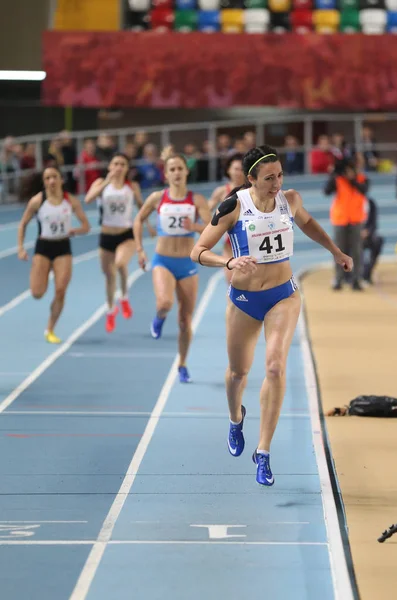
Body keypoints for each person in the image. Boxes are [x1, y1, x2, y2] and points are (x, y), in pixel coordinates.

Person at [190, 145, 353, 486]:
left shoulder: (289, 199)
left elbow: (308, 224)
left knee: (275, 366)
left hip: (283, 296)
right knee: (238, 373)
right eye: (268, 178)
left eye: (280, 175)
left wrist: (335, 252)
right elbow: (198, 251)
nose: (277, 183)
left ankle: (263, 451)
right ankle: (236, 419)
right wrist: (229, 262)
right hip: (245, 298)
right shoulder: (233, 206)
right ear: (251, 179)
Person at [133, 146, 211, 383]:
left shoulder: (196, 200)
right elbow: (138, 219)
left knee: (185, 321)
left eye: (180, 169)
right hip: (162, 260)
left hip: (186, 264)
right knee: (165, 302)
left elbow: (212, 228)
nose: (177, 173)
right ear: (166, 174)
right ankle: (159, 316)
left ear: (186, 173)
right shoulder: (158, 198)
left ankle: (183, 364)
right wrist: (139, 248)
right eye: (172, 169)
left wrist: (194, 227)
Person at [17, 166, 90, 343]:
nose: (51, 181)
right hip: (43, 248)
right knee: (37, 293)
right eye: (47, 178)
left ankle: (50, 329)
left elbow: (86, 226)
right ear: (44, 182)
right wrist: (20, 247)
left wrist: (75, 231)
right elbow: (23, 224)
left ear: (61, 179)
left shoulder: (71, 201)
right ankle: (41, 273)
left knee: (60, 290)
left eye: (54, 177)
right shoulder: (37, 201)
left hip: (63, 247)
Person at [85, 153, 155, 333]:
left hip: (126, 233)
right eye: (115, 163)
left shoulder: (132, 186)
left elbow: (142, 207)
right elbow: (88, 199)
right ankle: (110, 310)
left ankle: (124, 296)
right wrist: (107, 182)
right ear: (110, 166)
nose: (118, 167)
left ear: (126, 168)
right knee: (109, 276)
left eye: (122, 164)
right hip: (106, 235)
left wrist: (147, 225)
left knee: (120, 263)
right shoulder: (100, 183)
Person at [324, 158, 369, 291]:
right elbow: (326, 191)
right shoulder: (337, 179)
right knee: (339, 251)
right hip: (340, 219)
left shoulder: (362, 179)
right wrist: (332, 174)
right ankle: (338, 279)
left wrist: (352, 179)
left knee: (357, 251)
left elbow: (364, 190)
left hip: (356, 220)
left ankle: (356, 279)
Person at [208, 153, 245, 283]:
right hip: (230, 242)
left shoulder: (252, 190)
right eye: (235, 169)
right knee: (231, 283)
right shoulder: (222, 191)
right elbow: (207, 210)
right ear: (228, 170)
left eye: (241, 169)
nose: (238, 173)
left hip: (250, 239)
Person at [362, 197, 384, 284]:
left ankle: (367, 273)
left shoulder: (370, 203)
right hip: (353, 235)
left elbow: (374, 223)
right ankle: (354, 275)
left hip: (368, 235)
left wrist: (368, 232)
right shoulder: (350, 202)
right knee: (354, 245)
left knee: (378, 241)